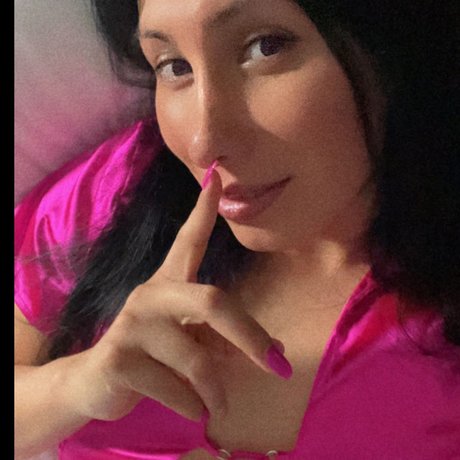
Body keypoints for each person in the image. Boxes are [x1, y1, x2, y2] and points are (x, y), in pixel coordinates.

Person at [14, 1, 460, 459]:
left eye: (265, 47)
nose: (203, 142)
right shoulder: (122, 191)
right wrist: (81, 383)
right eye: (175, 67)